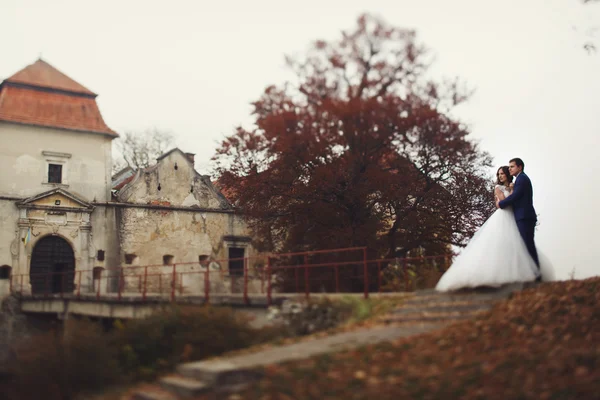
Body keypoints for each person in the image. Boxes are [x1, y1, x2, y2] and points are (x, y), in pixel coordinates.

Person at [435, 165, 541, 292]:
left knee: (516, 245)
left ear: (507, 174)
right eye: (499, 174)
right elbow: (503, 201)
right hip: (504, 216)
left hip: (514, 217)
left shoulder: (514, 184)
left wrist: (512, 189)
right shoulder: (498, 187)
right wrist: (512, 191)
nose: (500, 176)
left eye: (502, 173)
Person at [496, 158, 540, 269]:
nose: (509, 169)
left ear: (519, 167)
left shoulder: (522, 179)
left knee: (527, 245)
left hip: (524, 216)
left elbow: (516, 196)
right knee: (524, 245)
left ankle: (536, 273)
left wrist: (501, 204)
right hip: (521, 216)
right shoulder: (519, 180)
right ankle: (531, 271)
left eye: (512, 166)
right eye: (509, 167)